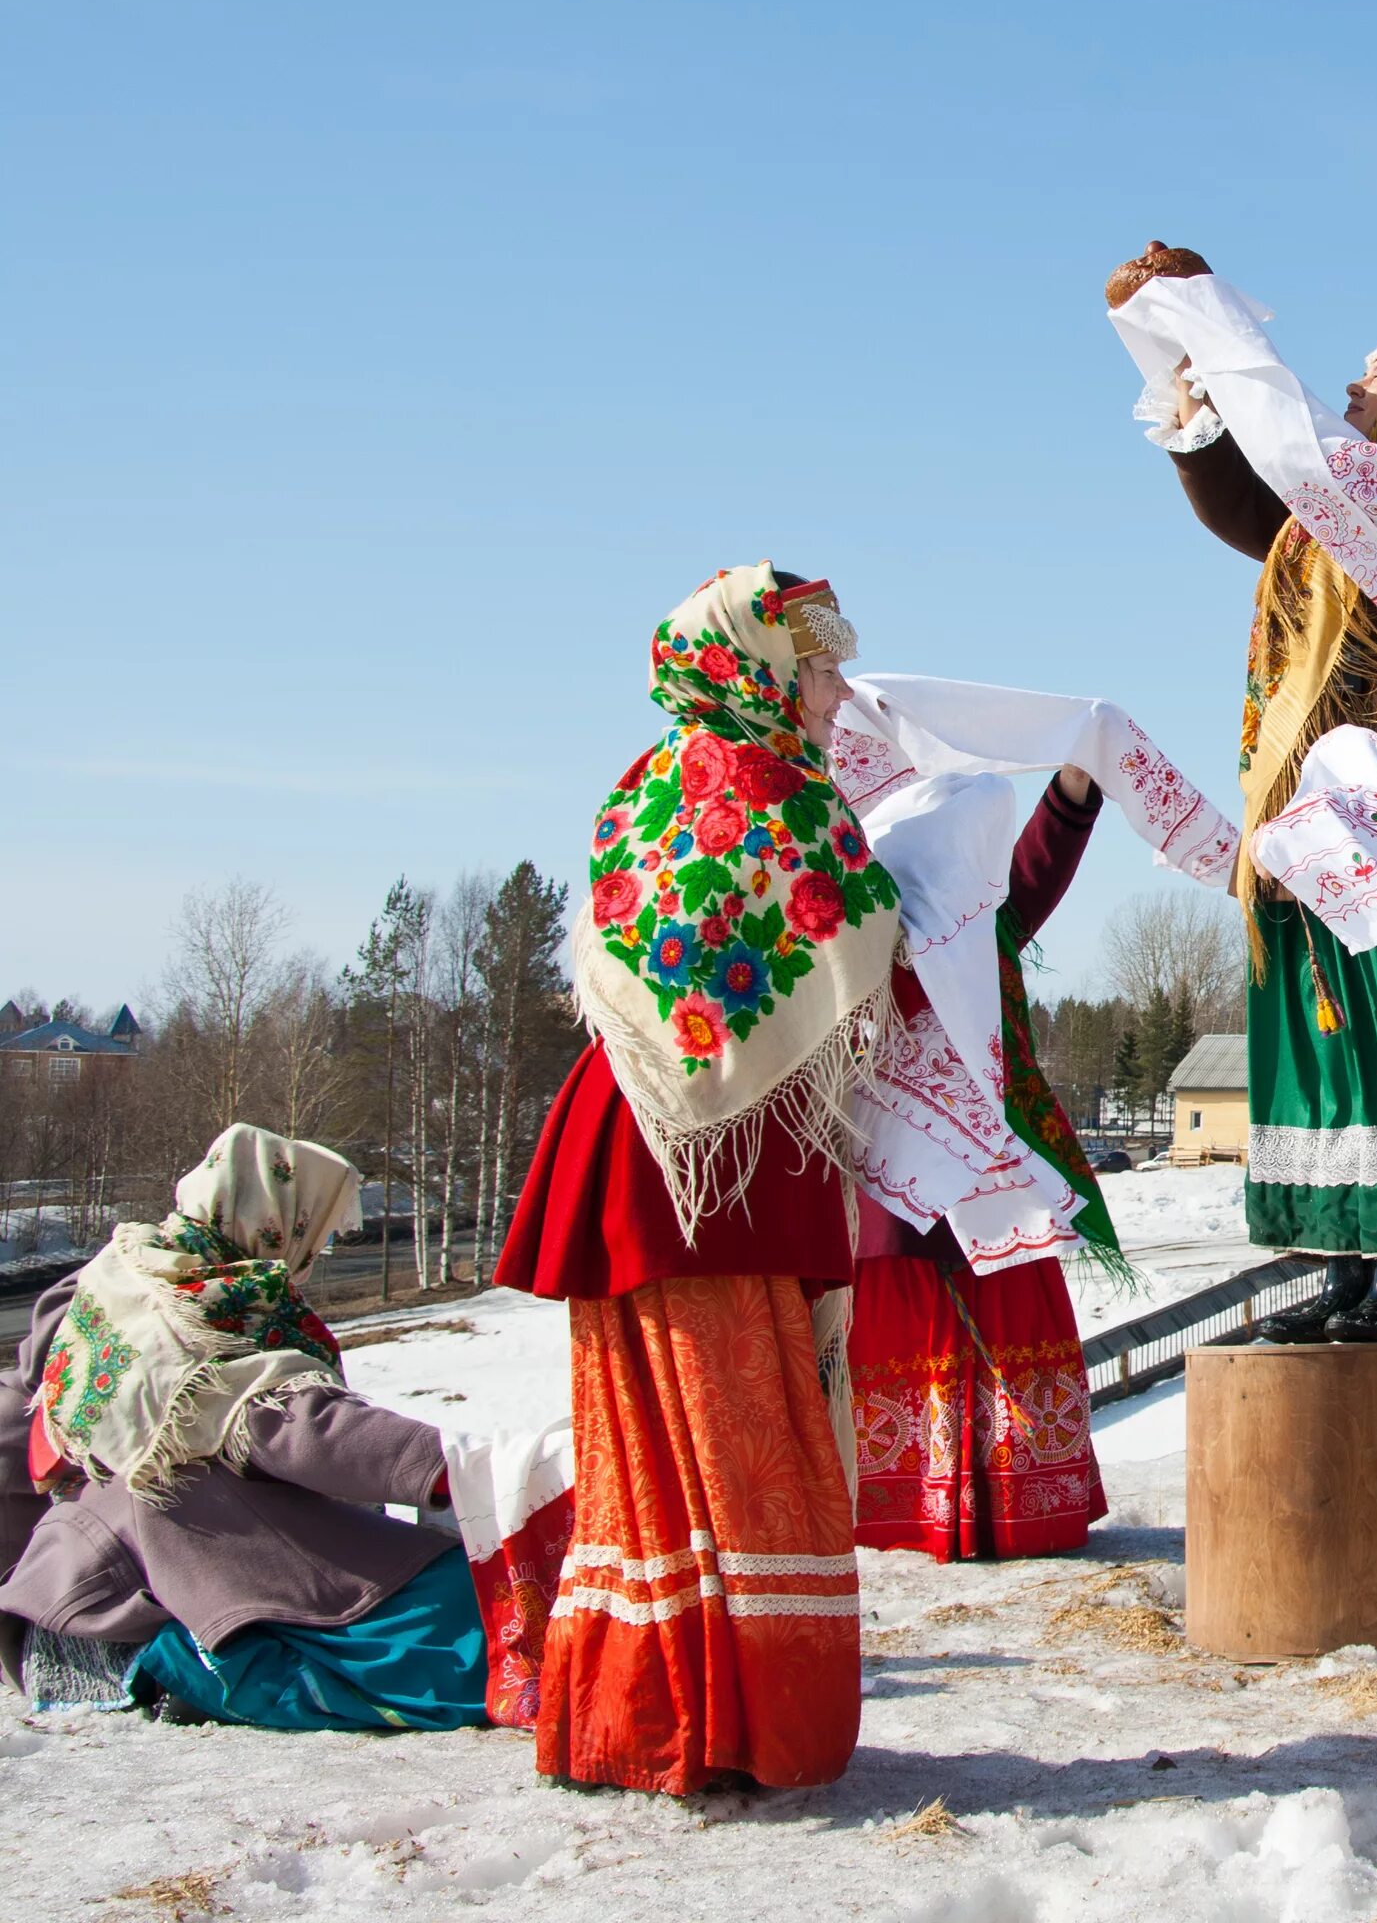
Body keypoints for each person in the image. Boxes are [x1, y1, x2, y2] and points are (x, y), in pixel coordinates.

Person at [498, 562, 898, 1794]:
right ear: (765, 671)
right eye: (819, 667)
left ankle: (635, 1712)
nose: (838, 695)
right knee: (748, 1444)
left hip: (625, 1134)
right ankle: (742, 1727)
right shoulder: (781, 786)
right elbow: (864, 944)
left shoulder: (649, 778)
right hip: (723, 1169)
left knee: (643, 1449)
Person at [1125, 247, 1377, 1343]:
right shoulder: (1340, 492)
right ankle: (1348, 1248)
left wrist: (1218, 326)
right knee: (1328, 1023)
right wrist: (1194, 389)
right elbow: (1254, 506)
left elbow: (1307, 463)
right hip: (1309, 800)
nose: (1356, 378)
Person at [0, 1124, 483, 1730]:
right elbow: (288, 1425)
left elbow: (12, 1420)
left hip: (64, 1593)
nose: (320, 1248)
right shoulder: (213, 1300)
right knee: (466, 1620)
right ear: (279, 1216)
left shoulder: (114, 1275)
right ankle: (193, 1670)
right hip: (166, 1583)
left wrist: (17, 1571)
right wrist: (448, 1465)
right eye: (318, 1229)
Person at [848, 762, 1115, 1559]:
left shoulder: (984, 931)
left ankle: (1012, 1507)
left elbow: (1039, 862)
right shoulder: (860, 934)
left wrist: (1074, 783)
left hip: (988, 1191)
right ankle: (911, 1511)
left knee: (998, 1326)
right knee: (911, 1339)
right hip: (892, 1189)